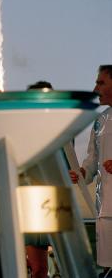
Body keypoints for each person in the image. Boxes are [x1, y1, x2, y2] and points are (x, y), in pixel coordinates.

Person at [69, 65, 112, 278]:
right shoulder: (101, 120)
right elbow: (91, 162)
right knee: (108, 267)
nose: (95, 88)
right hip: (105, 209)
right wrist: (81, 173)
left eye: (101, 82)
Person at [24, 80, 54, 278]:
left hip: (48, 203)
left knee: (41, 269)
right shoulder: (21, 130)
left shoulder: (60, 129)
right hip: (26, 202)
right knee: (35, 267)